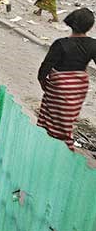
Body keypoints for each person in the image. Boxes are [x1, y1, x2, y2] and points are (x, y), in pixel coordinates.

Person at [37, 8, 96, 150]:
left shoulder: (60, 44)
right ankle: (63, 144)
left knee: (51, 117)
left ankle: (49, 144)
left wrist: (44, 84)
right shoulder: (93, 45)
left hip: (58, 87)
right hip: (78, 89)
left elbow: (45, 68)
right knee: (67, 120)